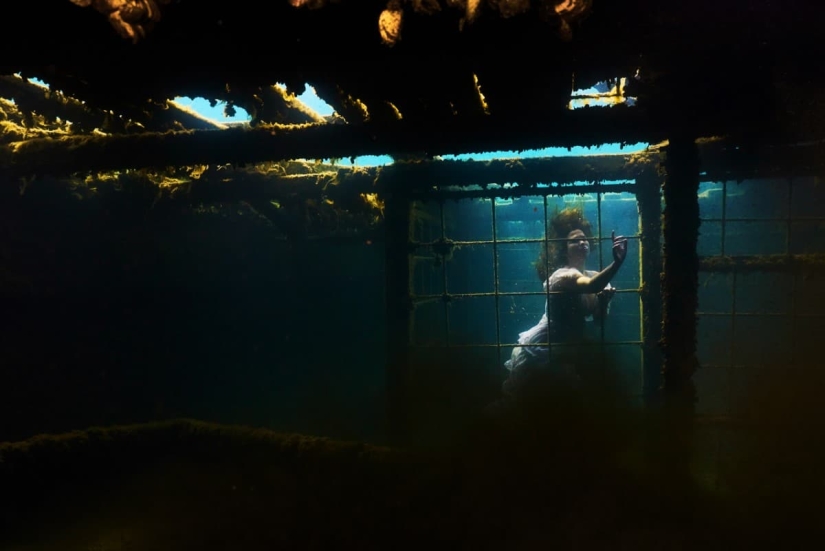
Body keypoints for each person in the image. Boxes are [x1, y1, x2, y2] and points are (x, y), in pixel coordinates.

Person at [502, 208, 628, 399]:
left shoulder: (595, 275)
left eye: (584, 238)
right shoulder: (562, 275)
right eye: (574, 240)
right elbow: (592, 286)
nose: (582, 242)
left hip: (570, 348)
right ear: (563, 248)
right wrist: (617, 264)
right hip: (546, 345)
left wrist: (602, 303)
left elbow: (598, 321)